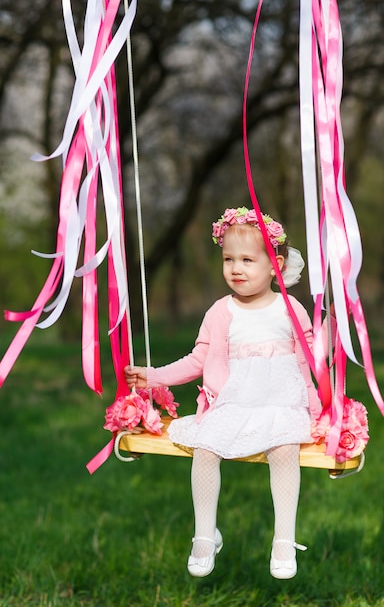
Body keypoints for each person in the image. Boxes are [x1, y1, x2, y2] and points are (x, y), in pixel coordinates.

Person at [125, 206, 326, 580]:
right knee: (205, 449)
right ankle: (205, 534)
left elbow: (313, 355)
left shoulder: (289, 307)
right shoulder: (221, 311)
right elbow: (197, 359)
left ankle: (284, 539)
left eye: (248, 260)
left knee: (284, 452)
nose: (236, 268)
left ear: (275, 265)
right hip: (235, 402)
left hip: (282, 403)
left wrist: (329, 332)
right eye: (228, 259)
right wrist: (154, 377)